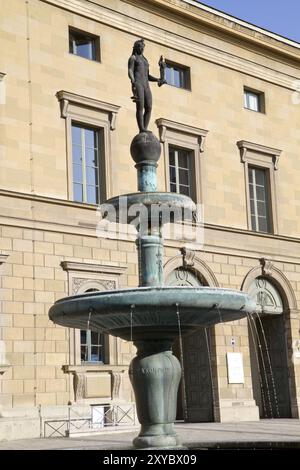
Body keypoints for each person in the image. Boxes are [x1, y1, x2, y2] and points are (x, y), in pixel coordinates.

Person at [128, 39, 166, 133]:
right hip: (138, 83)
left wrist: (158, 79)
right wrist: (133, 81)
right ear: (136, 47)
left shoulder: (145, 60)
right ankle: (142, 129)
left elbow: (147, 76)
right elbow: (130, 70)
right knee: (140, 106)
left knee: (149, 107)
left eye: (143, 47)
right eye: (140, 47)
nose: (142, 49)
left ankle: (145, 127)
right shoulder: (133, 58)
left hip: (146, 85)